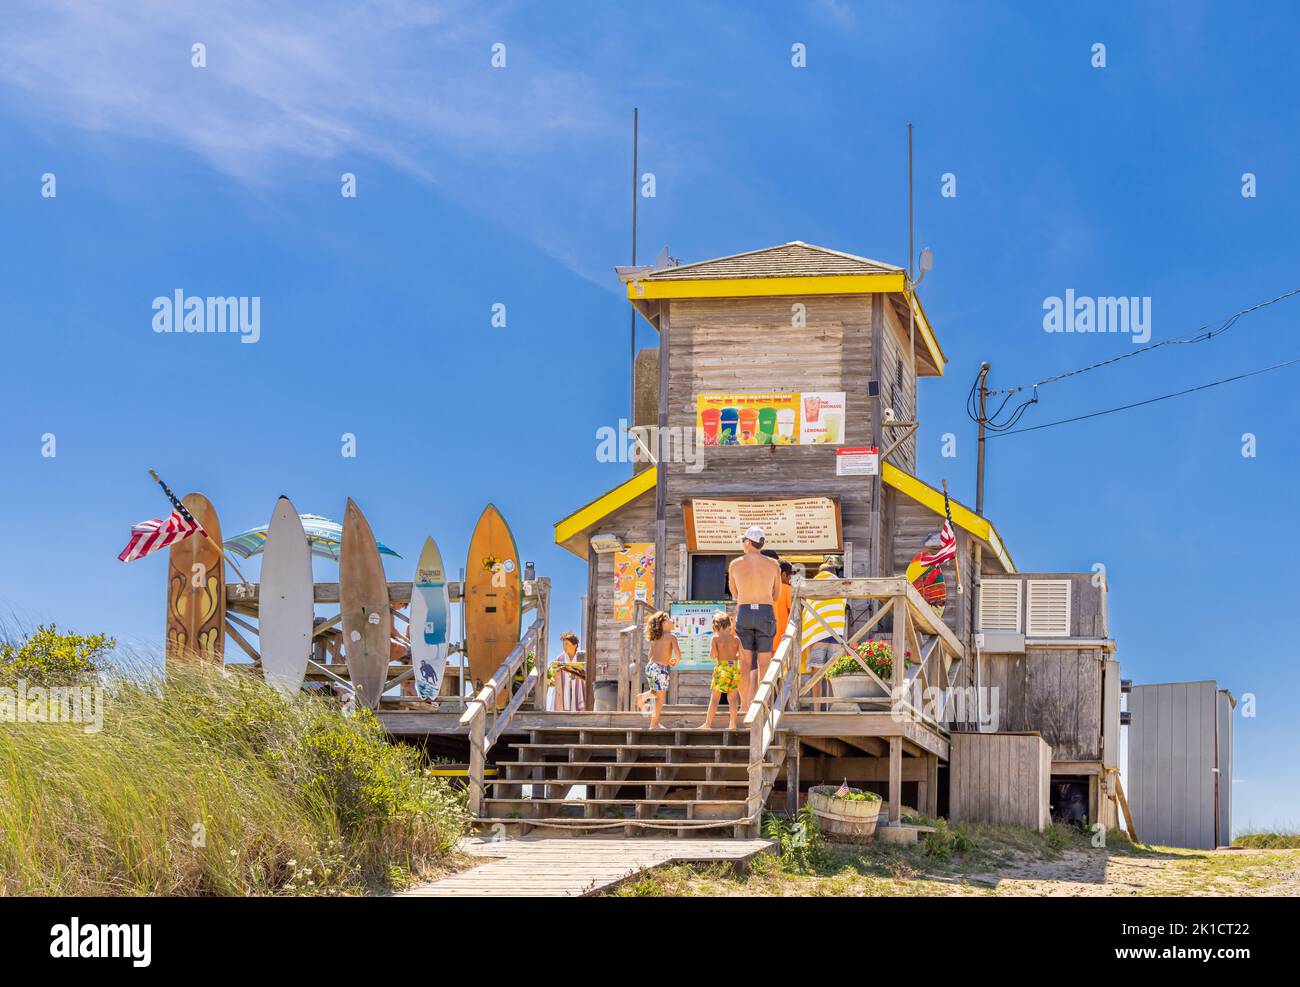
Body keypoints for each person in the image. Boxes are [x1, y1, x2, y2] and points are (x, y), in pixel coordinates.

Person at [728, 526, 781, 714]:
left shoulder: (735, 564)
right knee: (764, 663)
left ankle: (744, 706)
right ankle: (762, 705)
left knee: (744, 662)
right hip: (765, 612)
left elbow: (734, 593)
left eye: (743, 540)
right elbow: (776, 595)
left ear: (749, 542)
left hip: (744, 612)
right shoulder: (774, 564)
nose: (742, 543)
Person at [801, 558, 847, 706]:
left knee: (817, 674)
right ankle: (834, 707)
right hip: (836, 634)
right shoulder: (841, 588)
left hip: (817, 634)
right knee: (833, 674)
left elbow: (807, 611)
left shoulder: (812, 587)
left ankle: (816, 709)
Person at [635, 610, 680, 729]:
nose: (672, 620)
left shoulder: (656, 638)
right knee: (660, 698)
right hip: (660, 668)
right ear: (663, 623)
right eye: (669, 618)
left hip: (651, 666)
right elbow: (678, 654)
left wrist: (661, 659)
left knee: (654, 693)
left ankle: (643, 697)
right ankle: (654, 723)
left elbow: (650, 655)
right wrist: (675, 661)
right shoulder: (671, 636)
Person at [701, 612, 742, 730]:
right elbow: (742, 656)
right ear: (728, 624)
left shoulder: (715, 638)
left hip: (722, 668)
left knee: (715, 698)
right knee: (733, 699)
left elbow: (713, 655)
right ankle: (733, 724)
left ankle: (708, 724)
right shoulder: (736, 639)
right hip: (734, 667)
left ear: (716, 626)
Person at [550, 630, 585, 712]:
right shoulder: (560, 658)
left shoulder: (582, 656)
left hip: (580, 689)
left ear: (575, 645)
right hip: (564, 689)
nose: (564, 646)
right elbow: (554, 673)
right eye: (563, 644)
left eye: (567, 644)